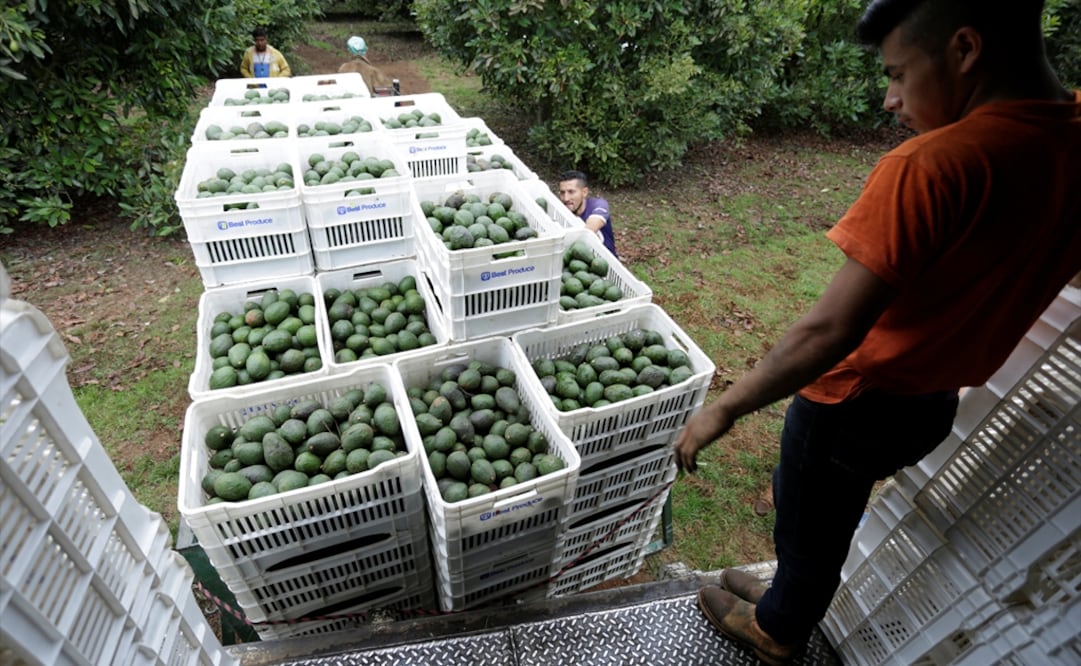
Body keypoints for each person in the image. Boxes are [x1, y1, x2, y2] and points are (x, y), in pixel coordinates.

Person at [673, 1, 1081, 663]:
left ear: (965, 49)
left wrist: (721, 410)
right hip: (931, 404)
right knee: (827, 512)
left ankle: (777, 629)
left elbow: (829, 330)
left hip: (853, 404)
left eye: (897, 74)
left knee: (811, 525)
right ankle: (788, 593)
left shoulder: (935, 165)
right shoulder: (1070, 138)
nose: (890, 99)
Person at [559, 170, 617, 256]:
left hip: (606, 261)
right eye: (562, 193)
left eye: (571, 192)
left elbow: (592, 225)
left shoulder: (599, 204)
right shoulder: (561, 213)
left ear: (584, 192)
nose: (566, 198)